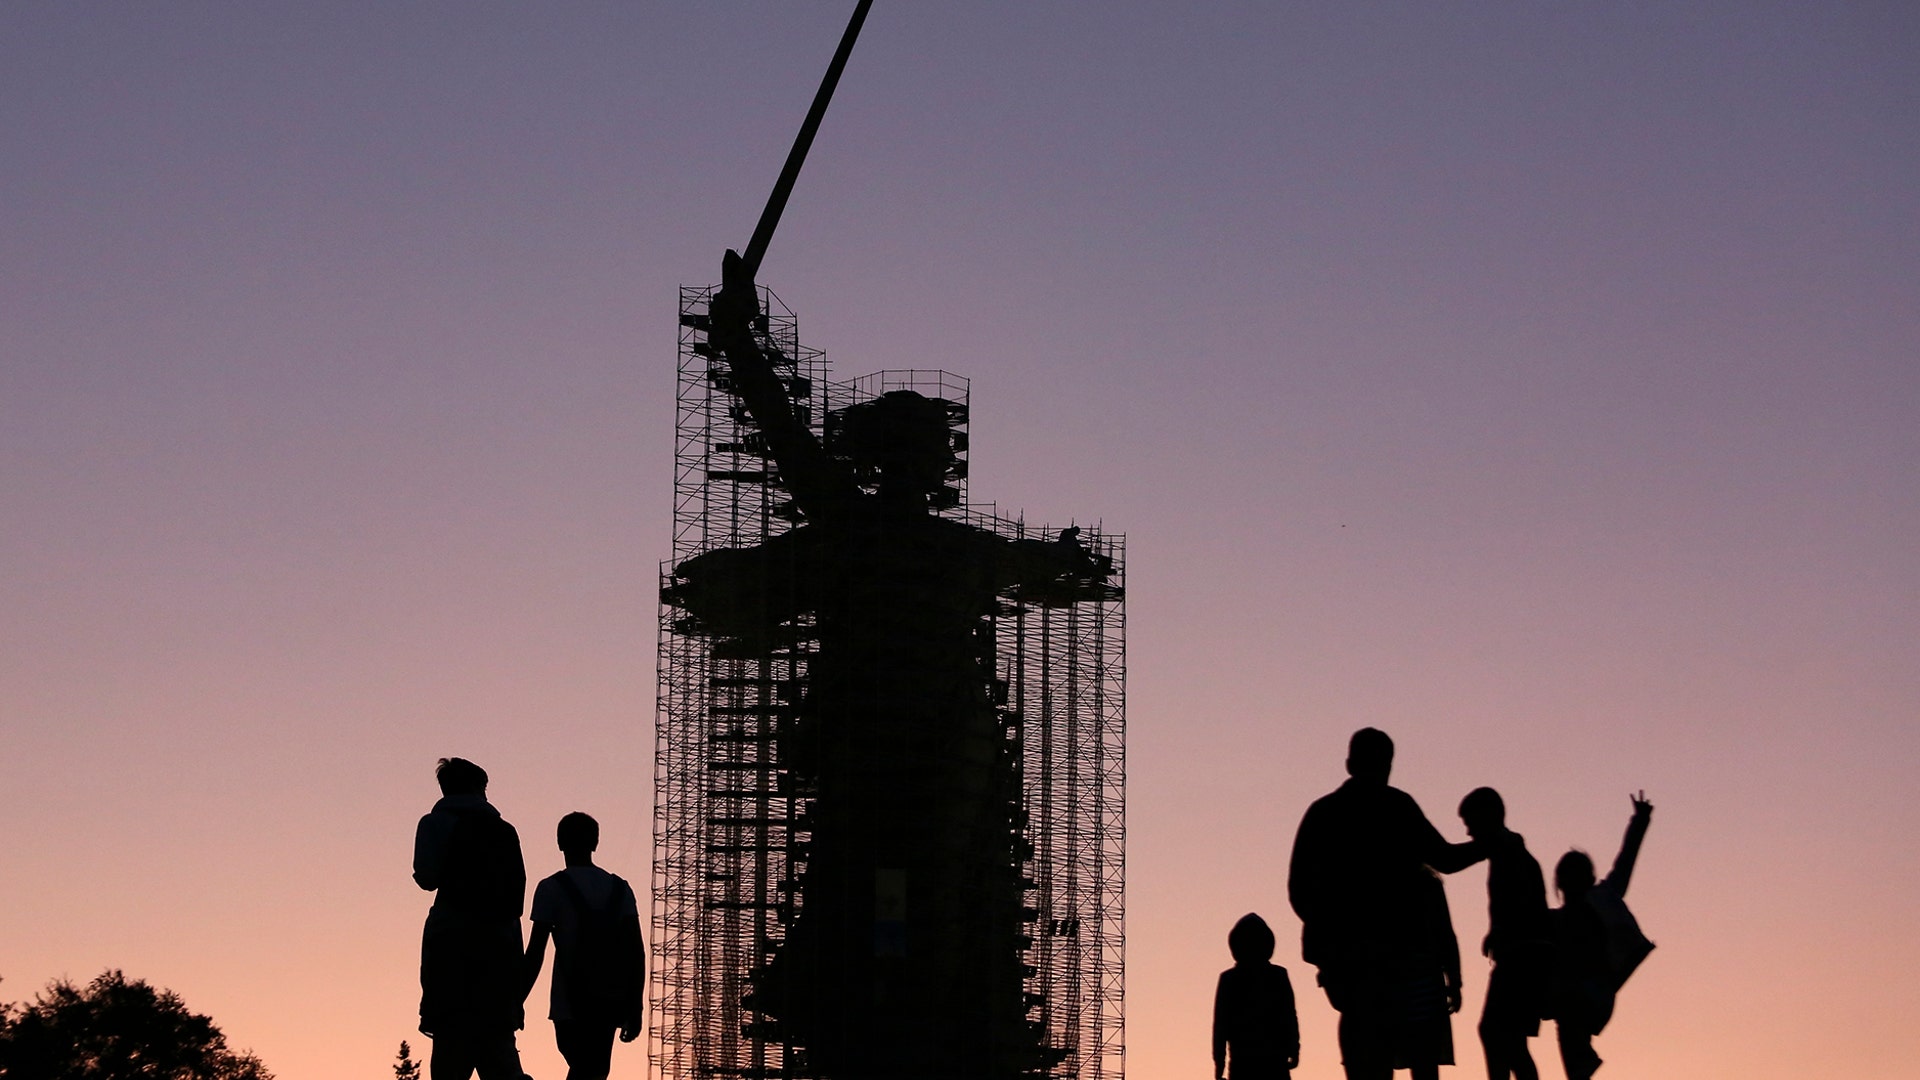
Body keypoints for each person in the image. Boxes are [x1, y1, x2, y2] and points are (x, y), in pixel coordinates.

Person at [1288, 729, 1482, 1080]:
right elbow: (1445, 859)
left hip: (1354, 963)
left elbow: (1299, 893)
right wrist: (1493, 843)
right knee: (1417, 1058)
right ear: (1387, 765)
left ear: (1349, 763)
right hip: (1400, 959)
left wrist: (1332, 938)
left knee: (1368, 1057)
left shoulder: (1324, 813)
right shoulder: (1397, 807)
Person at [414, 757, 529, 1080]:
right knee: (498, 1046)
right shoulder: (504, 830)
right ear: (481, 788)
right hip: (500, 946)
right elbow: (517, 893)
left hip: (450, 943)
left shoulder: (434, 823)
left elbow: (426, 877)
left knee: (450, 1047)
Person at [525, 812, 645, 1080]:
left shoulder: (550, 888)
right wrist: (635, 1006)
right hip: (610, 1000)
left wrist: (516, 999)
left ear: (559, 843)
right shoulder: (620, 889)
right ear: (595, 843)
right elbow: (636, 953)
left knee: (583, 1067)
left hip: (569, 1002)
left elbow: (535, 953)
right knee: (595, 1070)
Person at [1547, 792, 1655, 1080]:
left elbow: (1625, 862)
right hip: (1575, 996)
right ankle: (1581, 1064)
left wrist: (1640, 820)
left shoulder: (1601, 899)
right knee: (1568, 1033)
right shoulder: (1554, 919)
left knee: (1569, 1024)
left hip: (1592, 991)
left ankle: (1582, 1062)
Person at [1456, 788, 1548, 1080]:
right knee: (1510, 1038)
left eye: (1471, 822)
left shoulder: (1510, 854)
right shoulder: (1509, 853)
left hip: (1522, 958)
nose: (1469, 831)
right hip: (1523, 956)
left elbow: (1521, 903)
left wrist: (1501, 931)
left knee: (1495, 1031)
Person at [1392, 868, 1462, 1080]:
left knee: (1414, 1057)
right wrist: (1455, 982)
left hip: (1399, 981)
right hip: (1423, 979)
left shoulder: (1381, 884)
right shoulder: (1428, 885)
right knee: (1425, 1060)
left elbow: (1446, 935)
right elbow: (1446, 935)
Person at [1212, 913, 1300, 1080]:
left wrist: (1219, 1064)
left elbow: (1220, 1026)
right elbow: (1289, 1016)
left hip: (1255, 1062)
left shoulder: (1230, 979)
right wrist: (1294, 1049)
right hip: (1258, 1062)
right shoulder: (1277, 975)